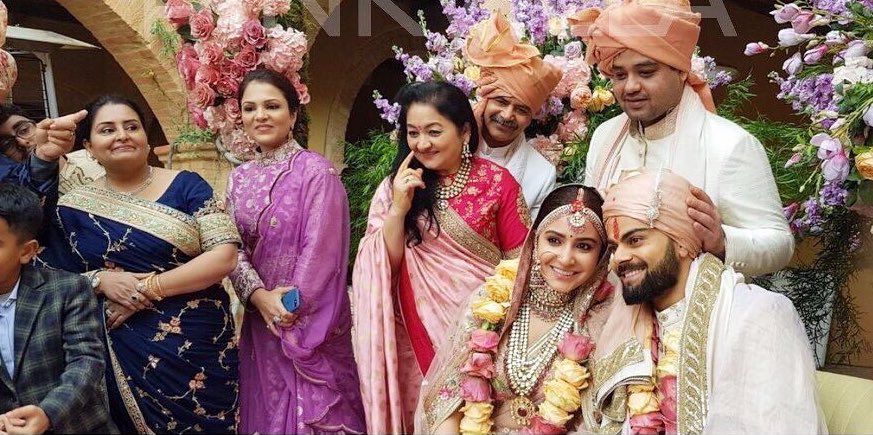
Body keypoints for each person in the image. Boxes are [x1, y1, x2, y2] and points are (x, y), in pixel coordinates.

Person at [40, 95, 241, 433]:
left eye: (131, 126)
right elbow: (52, 277)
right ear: (88, 147)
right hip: (122, 346)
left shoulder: (187, 185)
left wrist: (146, 288)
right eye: (107, 130)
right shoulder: (71, 209)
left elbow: (224, 255)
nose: (122, 135)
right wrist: (99, 280)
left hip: (200, 345)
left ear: (147, 140)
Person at [352, 80, 531, 433]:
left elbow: (521, 265)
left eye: (434, 131)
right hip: (412, 329)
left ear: (465, 131)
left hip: (482, 332)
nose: (422, 143)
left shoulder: (499, 183)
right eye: (413, 132)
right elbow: (381, 264)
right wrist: (398, 210)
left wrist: (497, 326)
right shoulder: (397, 186)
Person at [570, 0, 794, 277]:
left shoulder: (729, 144)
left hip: (692, 312)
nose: (630, 86)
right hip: (609, 303)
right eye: (619, 75)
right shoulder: (605, 137)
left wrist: (722, 242)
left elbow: (780, 244)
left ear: (680, 70)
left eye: (646, 72)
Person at [594, 169, 823, 433]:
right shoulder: (624, 328)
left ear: (681, 241)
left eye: (635, 240)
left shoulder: (759, 315)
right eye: (613, 248)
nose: (618, 258)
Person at [226, 68, 366, 434]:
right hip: (260, 320)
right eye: (250, 107)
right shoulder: (238, 178)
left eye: (271, 106)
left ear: (292, 114)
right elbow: (229, 247)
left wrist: (286, 309)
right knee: (266, 410)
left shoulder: (317, 173)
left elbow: (322, 255)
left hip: (306, 325)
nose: (260, 116)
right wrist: (259, 298)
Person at [416, 184, 618, 434]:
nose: (566, 258)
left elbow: (600, 421)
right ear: (534, 240)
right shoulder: (493, 301)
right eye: (554, 240)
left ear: (601, 255)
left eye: (584, 246)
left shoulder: (604, 320)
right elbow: (448, 398)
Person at [0, 183, 116, 434]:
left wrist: (48, 413)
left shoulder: (67, 289)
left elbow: (86, 361)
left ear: (26, 251)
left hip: (76, 427)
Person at [466, 13, 561, 219]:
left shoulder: (541, 174)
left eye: (521, 109)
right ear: (485, 99)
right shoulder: (449, 147)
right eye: (501, 101)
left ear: (531, 117)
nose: (508, 115)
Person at [0, 104, 104, 196]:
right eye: (7, 143)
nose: (22, 142)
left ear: (38, 125)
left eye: (24, 130)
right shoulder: (17, 195)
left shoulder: (92, 158)